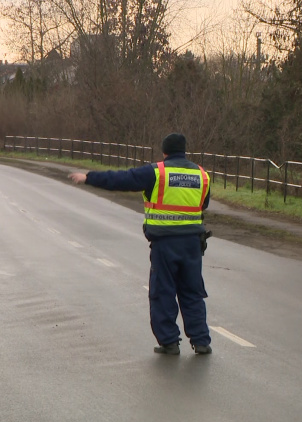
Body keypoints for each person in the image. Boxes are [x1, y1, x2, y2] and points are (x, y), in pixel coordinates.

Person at [68, 133, 212, 355]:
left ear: (164, 152)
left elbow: (122, 179)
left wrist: (89, 177)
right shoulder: (202, 176)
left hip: (165, 244)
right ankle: (201, 341)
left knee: (163, 291)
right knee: (192, 291)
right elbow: (204, 204)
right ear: (185, 151)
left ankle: (169, 342)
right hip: (193, 244)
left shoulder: (157, 172)